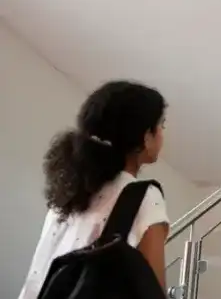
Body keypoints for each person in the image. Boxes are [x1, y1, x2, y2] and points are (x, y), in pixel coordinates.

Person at [18, 81, 169, 299]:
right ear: (146, 137)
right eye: (161, 125)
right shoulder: (144, 197)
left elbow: (37, 278)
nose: (163, 133)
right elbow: (154, 292)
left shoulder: (67, 194)